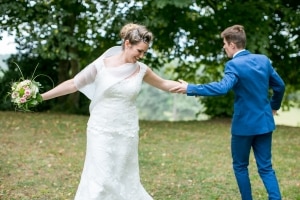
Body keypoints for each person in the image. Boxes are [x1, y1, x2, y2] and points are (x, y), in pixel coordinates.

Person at [41, 23, 181, 200]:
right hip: (100, 128)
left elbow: (164, 84)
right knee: (100, 177)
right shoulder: (101, 65)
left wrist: (191, 88)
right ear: (127, 44)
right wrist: (41, 97)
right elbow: (73, 84)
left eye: (145, 52)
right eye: (139, 51)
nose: (141, 56)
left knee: (123, 176)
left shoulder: (142, 70)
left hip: (127, 129)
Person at [170, 25, 285, 200]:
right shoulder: (263, 60)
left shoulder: (233, 65)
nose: (223, 47)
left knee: (240, 166)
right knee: (266, 167)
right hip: (264, 122)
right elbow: (280, 86)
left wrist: (190, 88)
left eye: (224, 43)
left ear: (232, 44)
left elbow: (222, 88)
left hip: (243, 126)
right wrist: (273, 107)